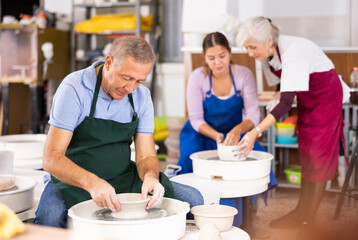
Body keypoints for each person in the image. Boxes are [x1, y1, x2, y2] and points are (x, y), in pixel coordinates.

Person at [34, 36, 203, 228]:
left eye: (139, 81)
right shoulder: (74, 88)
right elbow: (51, 159)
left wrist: (150, 177)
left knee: (193, 199)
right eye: (126, 78)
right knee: (50, 217)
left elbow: (146, 154)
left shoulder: (141, 96)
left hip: (122, 178)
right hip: (73, 182)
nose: (131, 88)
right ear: (108, 63)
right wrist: (93, 183)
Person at [236, 16, 350, 237]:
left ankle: (308, 219)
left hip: (325, 96)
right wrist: (276, 96)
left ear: (269, 40)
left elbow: (286, 104)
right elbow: (283, 85)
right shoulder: (270, 53)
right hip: (308, 97)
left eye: (252, 47)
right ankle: (301, 212)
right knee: (307, 152)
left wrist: (255, 131)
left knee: (317, 156)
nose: (249, 53)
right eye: (246, 48)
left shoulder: (293, 53)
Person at [177, 31, 277, 227]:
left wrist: (238, 130)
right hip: (201, 133)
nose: (217, 63)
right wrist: (216, 136)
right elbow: (195, 119)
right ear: (204, 57)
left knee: (257, 158)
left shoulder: (243, 75)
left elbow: (253, 115)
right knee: (189, 166)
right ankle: (194, 213)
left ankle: (248, 210)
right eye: (211, 58)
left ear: (230, 52)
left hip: (234, 134)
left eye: (222, 56)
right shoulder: (198, 77)